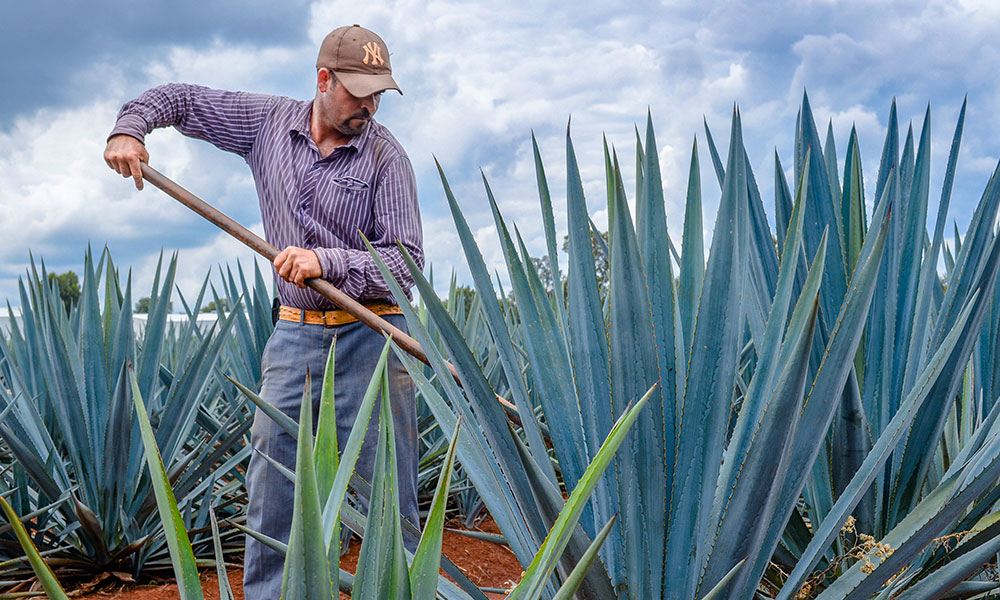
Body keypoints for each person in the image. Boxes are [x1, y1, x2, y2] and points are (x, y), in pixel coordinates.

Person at [103, 25, 422, 599]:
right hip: (295, 335)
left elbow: (406, 266)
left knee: (385, 491)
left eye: (378, 94)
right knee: (273, 481)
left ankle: (393, 589)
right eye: (358, 92)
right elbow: (181, 100)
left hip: (372, 338)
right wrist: (130, 129)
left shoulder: (386, 157)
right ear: (323, 80)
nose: (369, 106)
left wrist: (327, 260)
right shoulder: (267, 124)